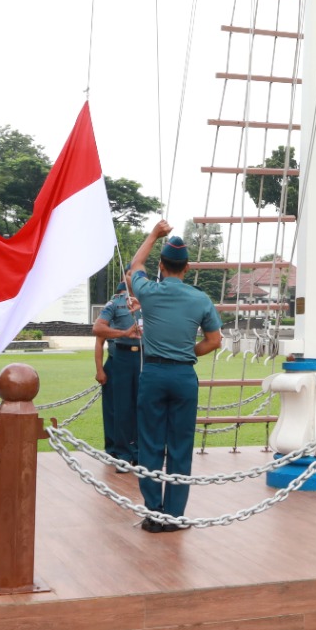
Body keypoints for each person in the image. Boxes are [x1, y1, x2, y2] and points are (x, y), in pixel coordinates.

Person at [126, 220, 223, 532]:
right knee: (180, 447)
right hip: (183, 376)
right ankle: (175, 516)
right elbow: (214, 341)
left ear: (163, 266)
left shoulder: (149, 292)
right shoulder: (200, 299)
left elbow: (135, 265)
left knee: (150, 445)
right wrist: (185, 353)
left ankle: (154, 514)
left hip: (153, 373)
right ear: (187, 267)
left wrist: (154, 234)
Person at [93, 279, 143, 470]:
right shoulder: (114, 305)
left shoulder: (149, 302)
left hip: (144, 358)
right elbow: (98, 334)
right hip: (119, 358)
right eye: (131, 274)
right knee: (120, 409)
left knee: (142, 406)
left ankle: (139, 453)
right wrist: (124, 332)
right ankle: (120, 453)